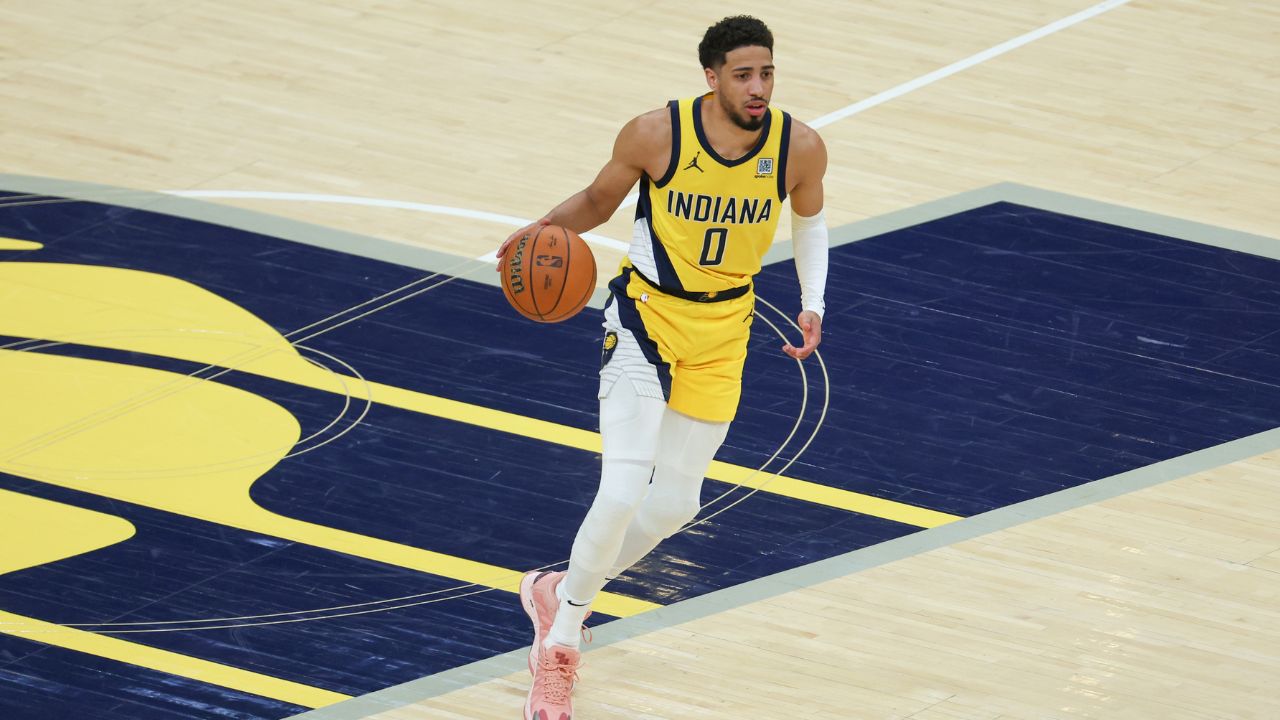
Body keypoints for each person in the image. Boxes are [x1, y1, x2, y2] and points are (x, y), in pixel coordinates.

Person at [495, 15, 828, 720]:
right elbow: (594, 202)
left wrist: (813, 300)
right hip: (645, 318)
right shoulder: (656, 134)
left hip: (723, 329)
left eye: (767, 72)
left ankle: (560, 590)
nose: (759, 86)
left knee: (677, 506)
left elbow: (810, 220)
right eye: (743, 74)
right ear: (711, 77)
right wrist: (537, 234)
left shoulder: (799, 146)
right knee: (620, 492)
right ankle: (559, 647)